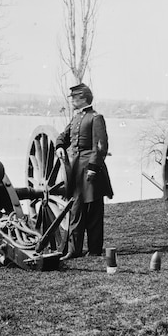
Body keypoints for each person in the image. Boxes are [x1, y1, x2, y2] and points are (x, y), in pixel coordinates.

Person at [55, 83, 114, 259]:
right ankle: (74, 250)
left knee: (94, 211)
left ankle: (94, 250)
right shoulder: (76, 118)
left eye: (75, 97)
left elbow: (101, 146)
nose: (72, 100)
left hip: (90, 169)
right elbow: (63, 136)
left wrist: (93, 168)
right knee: (76, 209)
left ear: (84, 98)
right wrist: (59, 146)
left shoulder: (96, 118)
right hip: (76, 170)